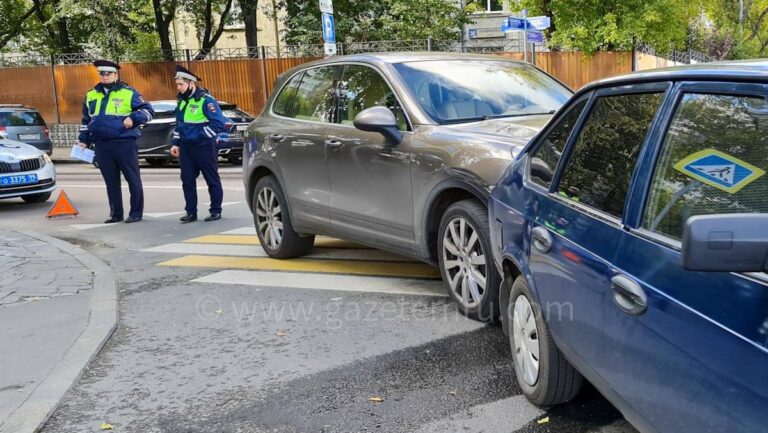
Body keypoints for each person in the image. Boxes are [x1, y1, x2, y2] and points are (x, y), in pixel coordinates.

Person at [78, 60, 154, 223]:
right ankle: (116, 213)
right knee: (111, 181)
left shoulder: (128, 92)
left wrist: (133, 118)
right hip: (102, 145)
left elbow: (148, 111)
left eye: (108, 74)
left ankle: (135, 212)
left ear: (115, 75)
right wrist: (83, 140)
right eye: (101, 74)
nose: (104, 77)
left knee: (132, 179)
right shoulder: (91, 94)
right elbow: (86, 120)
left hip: (124, 143)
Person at [170, 65, 227, 223]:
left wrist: (200, 136)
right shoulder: (182, 102)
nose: (179, 88)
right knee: (187, 180)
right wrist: (176, 143)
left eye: (181, 84)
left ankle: (215, 210)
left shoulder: (206, 101)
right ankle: (190, 212)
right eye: (177, 85)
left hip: (204, 147)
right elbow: (179, 125)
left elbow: (218, 124)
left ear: (191, 83)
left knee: (211, 179)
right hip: (187, 149)